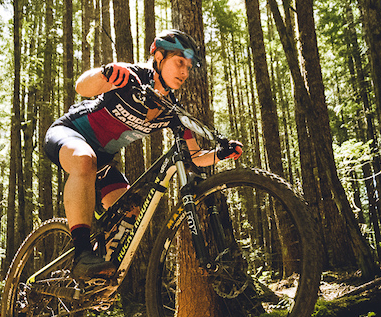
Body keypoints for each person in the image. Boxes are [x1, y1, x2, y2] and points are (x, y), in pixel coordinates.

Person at [43, 29, 243, 280]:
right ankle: (82, 253)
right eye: (180, 62)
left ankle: (98, 278)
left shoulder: (172, 110)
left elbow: (194, 157)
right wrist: (107, 72)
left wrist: (219, 155)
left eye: (188, 67)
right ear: (158, 57)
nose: (184, 72)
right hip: (69, 134)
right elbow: (82, 86)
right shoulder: (131, 76)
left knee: (131, 206)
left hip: (102, 162)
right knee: (85, 160)